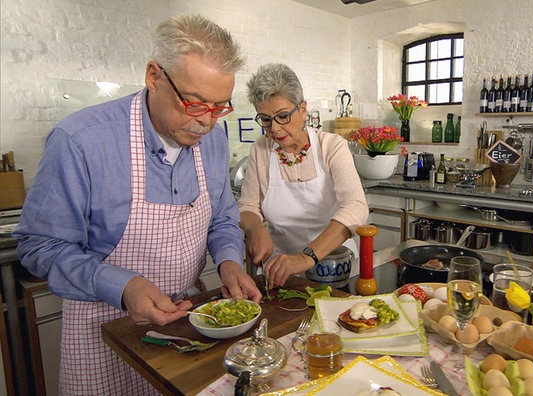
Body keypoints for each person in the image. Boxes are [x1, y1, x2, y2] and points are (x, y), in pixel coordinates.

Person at [13, 14, 260, 395]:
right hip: (102, 327)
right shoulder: (81, 141)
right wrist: (124, 285)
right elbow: (40, 246)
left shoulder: (212, 141)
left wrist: (229, 261)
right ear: (154, 76)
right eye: (195, 104)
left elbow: (223, 217)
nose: (207, 123)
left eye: (219, 107)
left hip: (183, 323)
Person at [238, 63, 368, 288]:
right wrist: (255, 228)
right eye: (266, 120)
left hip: (334, 266)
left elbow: (356, 206)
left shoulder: (331, 146)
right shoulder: (260, 150)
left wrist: (306, 257)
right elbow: (248, 206)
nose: (275, 129)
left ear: (303, 109)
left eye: (283, 116)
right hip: (281, 271)